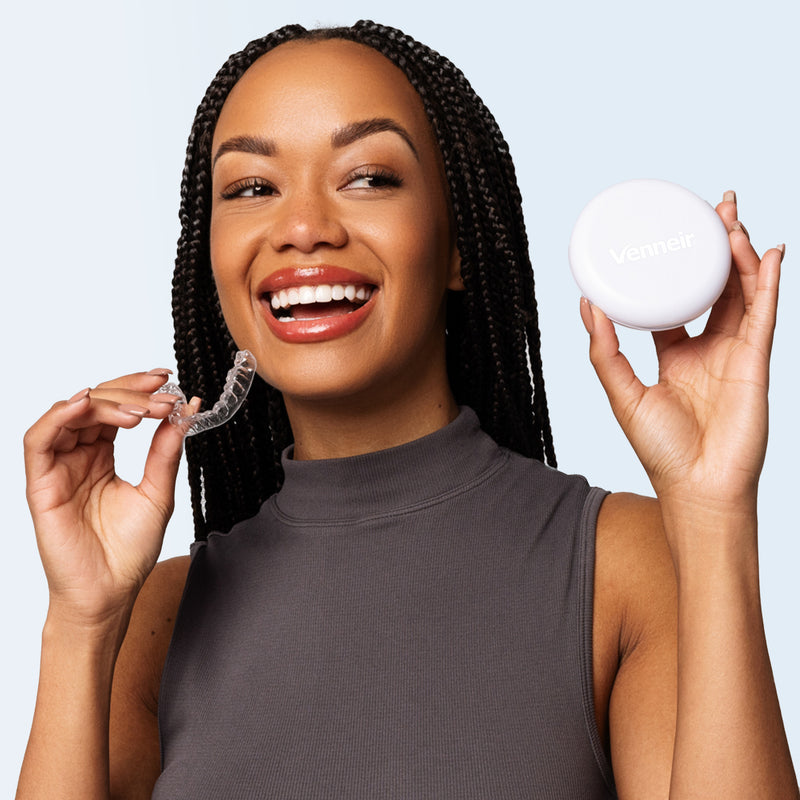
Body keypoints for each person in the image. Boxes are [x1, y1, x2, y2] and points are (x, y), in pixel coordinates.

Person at [17, 21, 799, 799]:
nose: (302, 230)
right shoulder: (160, 614)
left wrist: (712, 509)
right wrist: (79, 623)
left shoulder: (622, 566)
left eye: (368, 177)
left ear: (457, 243)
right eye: (253, 188)